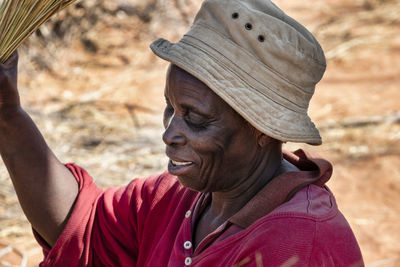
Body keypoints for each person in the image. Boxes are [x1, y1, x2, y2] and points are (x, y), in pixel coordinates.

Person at [0, 0, 364, 266]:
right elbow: (88, 228)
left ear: (263, 129)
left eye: (196, 118)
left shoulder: (298, 245)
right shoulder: (179, 200)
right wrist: (8, 116)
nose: (170, 133)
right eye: (170, 108)